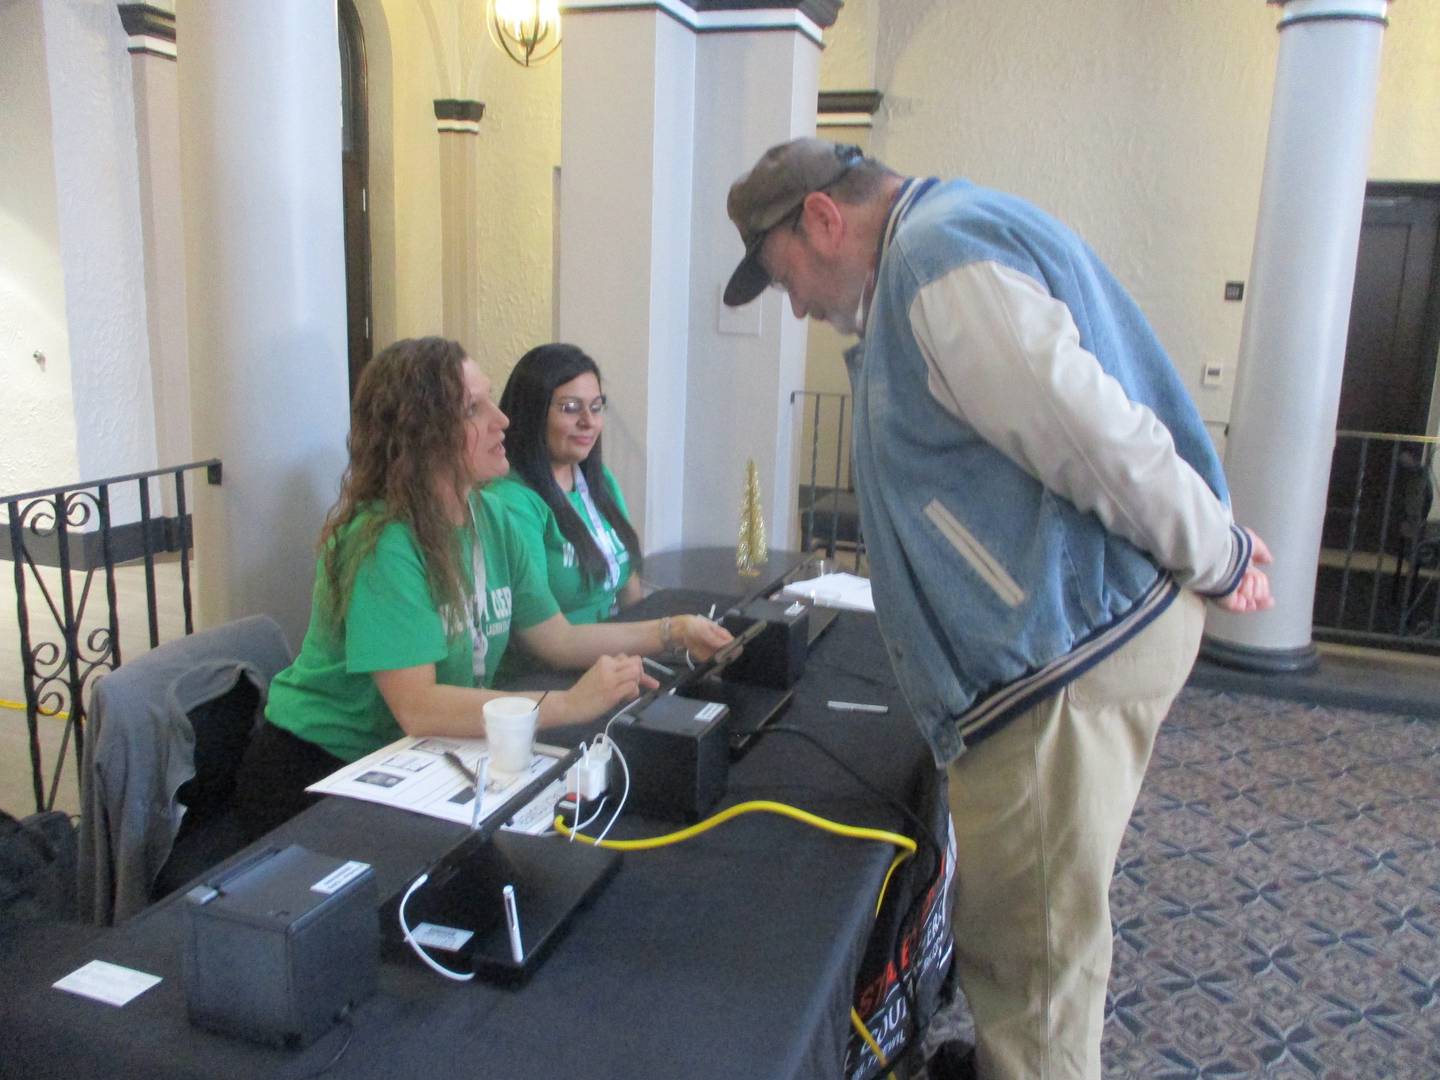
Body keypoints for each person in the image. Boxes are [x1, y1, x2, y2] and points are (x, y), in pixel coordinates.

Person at [721, 139, 1273, 1080]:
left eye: (787, 281)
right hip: (1058, 650)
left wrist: (1217, 552)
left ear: (821, 218)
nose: (802, 307)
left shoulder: (937, 261)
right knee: (1029, 930)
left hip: (1056, 662)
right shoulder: (934, 248)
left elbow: (1096, 442)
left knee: (1037, 962)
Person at [235, 336, 730, 839]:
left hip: (416, 759)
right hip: (319, 772)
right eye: (474, 408)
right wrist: (568, 706)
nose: (503, 420)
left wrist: (673, 630)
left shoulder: (490, 515)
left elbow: (555, 638)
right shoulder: (385, 540)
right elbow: (419, 707)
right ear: (422, 433)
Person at [486, 343, 720, 682]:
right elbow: (551, 645)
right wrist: (669, 632)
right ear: (532, 412)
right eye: (570, 408)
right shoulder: (512, 502)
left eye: (596, 408)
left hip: (609, 662)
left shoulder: (598, 481)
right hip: (544, 680)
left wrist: (663, 654)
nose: (588, 422)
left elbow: (629, 592)